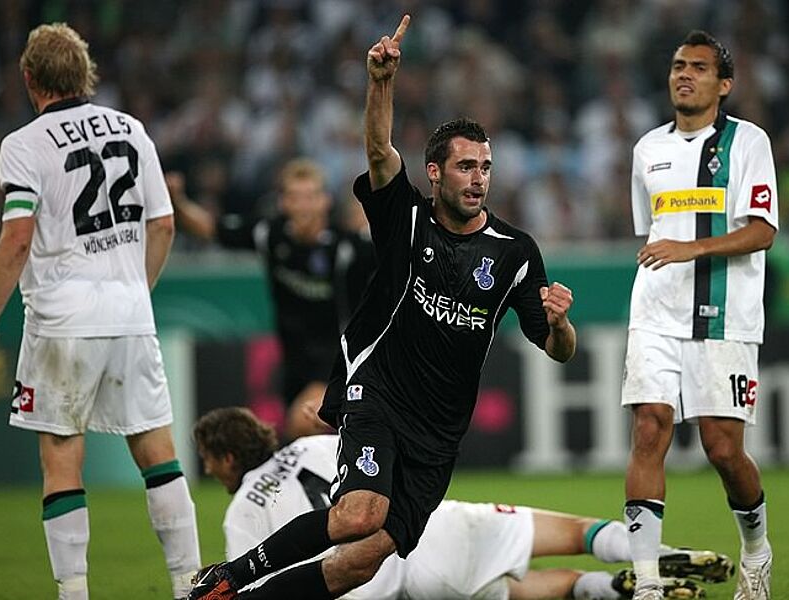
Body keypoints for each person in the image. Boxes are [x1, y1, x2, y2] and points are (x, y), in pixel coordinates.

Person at [189, 14, 578, 600]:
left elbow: (557, 349)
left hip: (439, 432)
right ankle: (229, 577)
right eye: (465, 166)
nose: (478, 179)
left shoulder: (516, 251)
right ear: (435, 172)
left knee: (363, 561)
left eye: (485, 167)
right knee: (358, 515)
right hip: (380, 393)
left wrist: (560, 323)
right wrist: (381, 82)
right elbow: (377, 150)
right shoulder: (407, 217)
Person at [0, 23, 201, 599]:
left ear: (29, 78)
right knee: (158, 454)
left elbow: (16, 240)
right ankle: (191, 585)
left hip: (62, 320)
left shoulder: (23, 145)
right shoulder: (132, 129)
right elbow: (163, 224)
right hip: (130, 314)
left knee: (62, 458)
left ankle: (74, 594)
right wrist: (136, 290)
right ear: (85, 73)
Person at [194, 407, 735, 599]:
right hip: (421, 534)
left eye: (208, 459)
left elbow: (250, 585)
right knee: (571, 531)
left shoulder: (242, 510)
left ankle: (605, 589)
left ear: (226, 457)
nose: (209, 469)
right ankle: (656, 557)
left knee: (502, 592)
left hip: (371, 587)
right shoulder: (317, 444)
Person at [621, 30, 778, 600]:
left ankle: (757, 550)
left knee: (723, 449)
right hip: (656, 312)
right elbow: (652, 233)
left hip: (725, 317)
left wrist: (690, 249)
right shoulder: (647, 149)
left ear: (724, 84)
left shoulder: (748, 142)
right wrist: (674, 252)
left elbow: (762, 231)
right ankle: (647, 583)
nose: (684, 74)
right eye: (677, 66)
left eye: (699, 67)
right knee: (649, 428)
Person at [165, 158, 375, 440]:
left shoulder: (346, 247)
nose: (303, 206)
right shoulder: (270, 235)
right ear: (283, 202)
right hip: (292, 361)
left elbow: (395, 257)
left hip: (337, 362)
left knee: (301, 424)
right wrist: (177, 202)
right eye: (295, 197)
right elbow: (210, 228)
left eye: (310, 197)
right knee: (305, 438)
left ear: (325, 201)